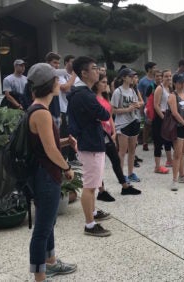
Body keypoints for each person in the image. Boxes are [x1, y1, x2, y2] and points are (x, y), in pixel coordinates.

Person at [26, 63, 77, 281]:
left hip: (42, 173)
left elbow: (44, 144)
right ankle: (40, 276)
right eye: (56, 79)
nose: (60, 82)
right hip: (46, 175)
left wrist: (64, 141)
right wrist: (67, 168)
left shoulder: (36, 108)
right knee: (42, 230)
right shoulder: (42, 113)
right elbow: (49, 151)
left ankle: (51, 262)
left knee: (48, 222)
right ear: (49, 84)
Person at [67, 56, 112, 237]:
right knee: (90, 185)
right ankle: (90, 225)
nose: (98, 71)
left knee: (94, 182)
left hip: (90, 141)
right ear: (84, 73)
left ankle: (92, 212)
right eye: (94, 68)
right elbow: (104, 114)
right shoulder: (85, 95)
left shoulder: (83, 93)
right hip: (90, 143)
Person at [93, 74, 141, 200]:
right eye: (103, 82)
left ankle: (125, 187)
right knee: (99, 163)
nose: (106, 84)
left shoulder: (104, 97)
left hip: (109, 133)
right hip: (99, 133)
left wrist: (113, 131)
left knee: (115, 160)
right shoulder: (93, 98)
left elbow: (109, 115)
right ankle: (101, 191)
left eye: (106, 82)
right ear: (96, 84)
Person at [111, 68, 144, 183]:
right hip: (123, 124)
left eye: (133, 76)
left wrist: (137, 105)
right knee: (122, 151)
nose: (132, 78)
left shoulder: (132, 91)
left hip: (133, 121)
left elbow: (136, 104)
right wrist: (127, 109)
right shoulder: (118, 92)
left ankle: (130, 173)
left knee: (132, 150)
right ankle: (121, 175)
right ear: (124, 77)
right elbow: (113, 110)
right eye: (130, 76)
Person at [58, 55, 81, 167]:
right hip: (63, 108)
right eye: (72, 62)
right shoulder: (60, 76)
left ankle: (72, 157)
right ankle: (64, 158)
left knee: (74, 133)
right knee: (64, 133)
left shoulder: (76, 78)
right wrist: (74, 76)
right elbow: (66, 88)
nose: (74, 64)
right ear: (66, 63)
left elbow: (78, 90)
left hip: (74, 109)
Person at [152, 70, 174, 173]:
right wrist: (163, 118)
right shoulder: (159, 88)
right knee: (158, 141)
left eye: (170, 76)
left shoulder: (170, 88)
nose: (168, 78)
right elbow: (156, 105)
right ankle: (157, 166)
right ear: (162, 77)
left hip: (168, 115)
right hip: (160, 116)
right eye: (166, 76)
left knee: (168, 139)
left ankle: (169, 160)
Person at [138, 62, 157, 151]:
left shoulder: (156, 79)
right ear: (149, 69)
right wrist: (141, 107)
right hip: (147, 106)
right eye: (154, 68)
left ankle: (156, 142)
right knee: (147, 125)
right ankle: (145, 142)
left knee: (156, 124)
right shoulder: (142, 81)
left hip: (157, 105)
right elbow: (140, 94)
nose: (155, 69)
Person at [45, 52, 63, 127]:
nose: (57, 66)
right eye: (55, 63)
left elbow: (56, 96)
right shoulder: (43, 78)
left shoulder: (56, 76)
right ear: (47, 63)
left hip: (57, 113)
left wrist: (59, 114)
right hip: (47, 114)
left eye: (58, 63)